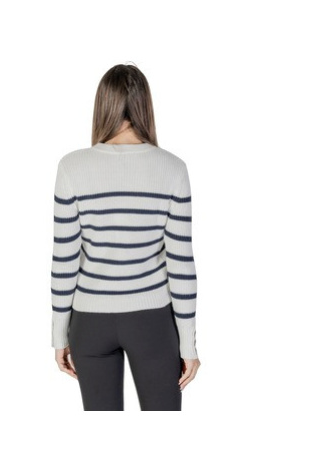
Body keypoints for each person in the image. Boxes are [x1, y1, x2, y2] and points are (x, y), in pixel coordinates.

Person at [51, 63, 200, 411]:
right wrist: (189, 344)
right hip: (152, 321)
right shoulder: (172, 168)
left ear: (102, 104)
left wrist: (58, 335)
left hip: (89, 322)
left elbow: (64, 260)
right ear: (145, 105)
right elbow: (181, 265)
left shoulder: (71, 167)